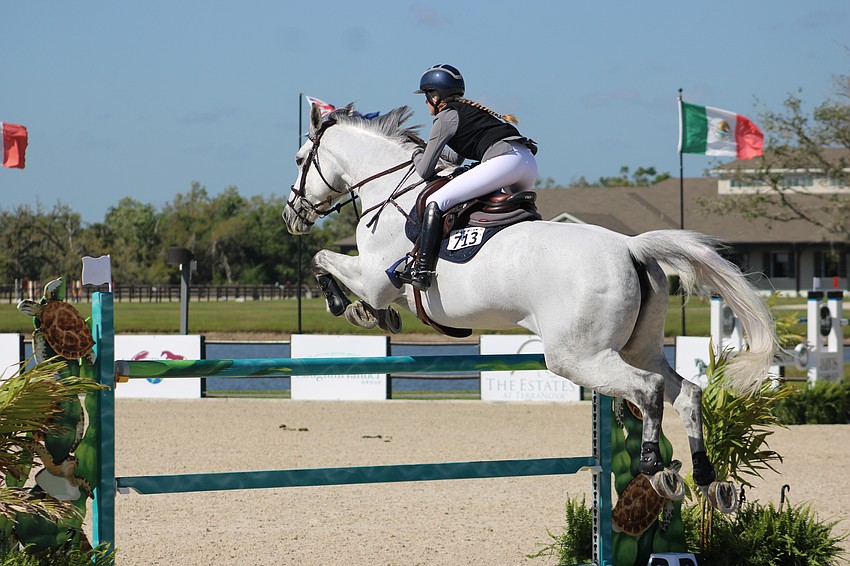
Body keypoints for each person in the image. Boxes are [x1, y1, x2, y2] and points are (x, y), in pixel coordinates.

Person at [402, 64, 538, 291]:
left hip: (505, 161)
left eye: (426, 96)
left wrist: (415, 152)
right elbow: (455, 158)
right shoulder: (469, 111)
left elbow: (424, 170)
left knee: (436, 201)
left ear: (435, 96)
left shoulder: (446, 117)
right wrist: (427, 148)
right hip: (526, 163)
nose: (425, 103)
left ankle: (422, 269)